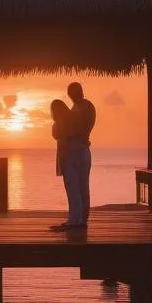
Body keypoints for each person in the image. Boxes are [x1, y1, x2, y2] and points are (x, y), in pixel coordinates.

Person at [48, 99, 82, 231]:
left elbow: (59, 136)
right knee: (73, 190)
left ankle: (75, 219)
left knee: (72, 190)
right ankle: (74, 218)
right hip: (68, 156)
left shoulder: (65, 123)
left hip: (69, 157)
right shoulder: (66, 122)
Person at [67, 82, 96, 226]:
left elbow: (84, 127)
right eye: (70, 93)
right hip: (75, 150)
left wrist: (77, 135)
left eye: (73, 92)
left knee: (83, 186)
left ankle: (82, 220)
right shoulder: (76, 106)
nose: (71, 96)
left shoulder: (87, 106)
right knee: (75, 187)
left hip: (81, 149)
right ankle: (76, 218)